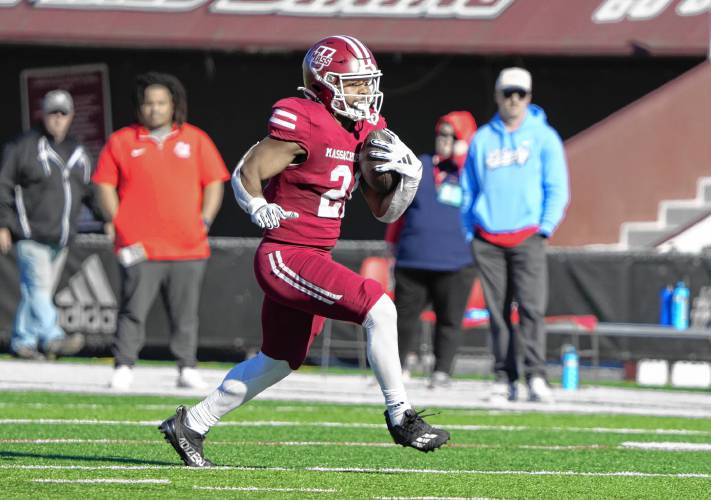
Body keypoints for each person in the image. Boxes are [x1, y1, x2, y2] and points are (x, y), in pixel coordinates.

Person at [158, 35, 450, 467]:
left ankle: (192, 424)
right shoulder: (306, 119)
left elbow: (384, 212)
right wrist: (256, 204)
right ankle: (401, 415)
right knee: (380, 308)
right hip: (286, 253)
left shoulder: (367, 129)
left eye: (366, 83)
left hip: (315, 256)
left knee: (277, 362)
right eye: (353, 84)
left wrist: (407, 181)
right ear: (325, 83)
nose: (364, 92)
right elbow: (246, 170)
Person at [93, 72, 229, 390]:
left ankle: (187, 367)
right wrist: (120, 222)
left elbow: (214, 183)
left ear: (173, 105)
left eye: (161, 103)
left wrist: (205, 220)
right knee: (132, 309)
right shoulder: (122, 141)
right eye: (149, 103)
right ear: (140, 108)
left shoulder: (196, 139)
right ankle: (124, 365)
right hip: (139, 245)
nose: (155, 109)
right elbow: (103, 185)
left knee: (186, 314)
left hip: (188, 246)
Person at [460, 67, 569, 403]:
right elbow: (468, 189)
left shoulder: (544, 137)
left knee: (533, 309)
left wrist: (544, 229)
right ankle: (504, 377)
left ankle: (536, 376)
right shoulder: (482, 138)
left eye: (519, 93)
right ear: (497, 96)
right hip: (487, 239)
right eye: (507, 93)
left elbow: (557, 188)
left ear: (529, 97)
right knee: (497, 313)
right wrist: (469, 232)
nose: (513, 100)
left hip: (528, 236)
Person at [385, 111, 477, 388]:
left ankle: (442, 372)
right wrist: (391, 246)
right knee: (402, 319)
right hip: (413, 258)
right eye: (442, 134)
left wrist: (463, 156)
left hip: (456, 262)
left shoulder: (470, 172)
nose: (445, 140)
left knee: (449, 320)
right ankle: (396, 370)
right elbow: (398, 209)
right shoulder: (421, 166)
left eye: (452, 136)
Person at [0, 89, 92, 360]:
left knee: (35, 292)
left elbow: (89, 190)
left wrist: (109, 218)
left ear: (71, 116)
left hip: (60, 237)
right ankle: (54, 336)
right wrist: (3, 223)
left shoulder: (77, 151)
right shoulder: (24, 146)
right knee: (39, 289)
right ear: (43, 114)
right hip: (30, 234)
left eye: (63, 113)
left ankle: (22, 341)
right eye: (53, 113)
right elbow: (3, 185)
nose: (58, 119)